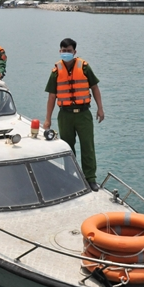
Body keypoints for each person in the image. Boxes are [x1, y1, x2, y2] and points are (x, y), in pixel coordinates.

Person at [43, 38, 104, 192]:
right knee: (67, 147)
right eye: (63, 51)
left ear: (74, 52)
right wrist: (47, 119)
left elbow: (95, 88)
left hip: (83, 114)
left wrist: (100, 109)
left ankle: (91, 179)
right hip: (65, 115)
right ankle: (69, 176)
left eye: (69, 51)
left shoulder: (84, 67)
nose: (66, 53)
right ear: (59, 51)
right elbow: (52, 96)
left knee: (87, 146)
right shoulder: (56, 71)